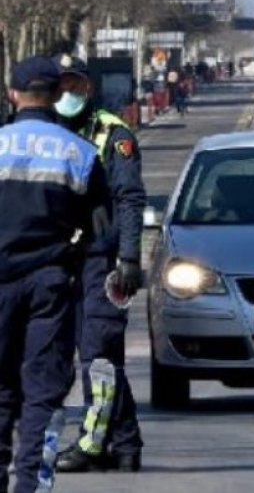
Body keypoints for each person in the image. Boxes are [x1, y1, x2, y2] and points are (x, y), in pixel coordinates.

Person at [0, 55, 111, 493]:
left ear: (13, 94)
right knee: (42, 393)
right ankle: (30, 484)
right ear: (57, 96)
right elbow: (103, 231)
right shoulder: (80, 153)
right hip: (50, 283)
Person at [51, 56, 146, 474]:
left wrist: (129, 256)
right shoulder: (46, 133)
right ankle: (124, 443)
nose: (68, 95)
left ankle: (91, 444)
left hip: (102, 260)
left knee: (98, 355)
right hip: (62, 259)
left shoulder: (113, 132)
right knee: (99, 355)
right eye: (61, 87)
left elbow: (130, 199)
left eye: (76, 87)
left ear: (89, 89)